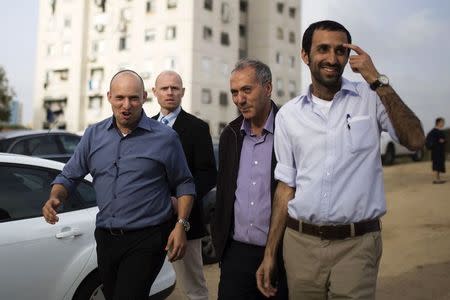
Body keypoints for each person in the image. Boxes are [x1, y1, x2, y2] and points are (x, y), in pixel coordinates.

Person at [256, 20, 425, 300]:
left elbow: (416, 140)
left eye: (340, 51)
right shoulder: (288, 115)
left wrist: (377, 79)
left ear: (349, 57)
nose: (332, 59)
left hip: (357, 246)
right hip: (301, 246)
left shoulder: (371, 99)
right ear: (305, 55)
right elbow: (286, 187)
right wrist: (270, 253)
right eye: (323, 49)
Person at [42, 70, 195, 300]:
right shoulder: (93, 135)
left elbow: (184, 183)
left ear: (144, 97)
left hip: (148, 237)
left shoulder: (165, 138)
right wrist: (56, 196)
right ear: (109, 97)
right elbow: (69, 176)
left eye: (133, 98)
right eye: (120, 98)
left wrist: (181, 225)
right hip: (106, 237)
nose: (126, 105)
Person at [212, 59, 288, 300]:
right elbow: (224, 192)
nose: (239, 100)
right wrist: (221, 243)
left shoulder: (290, 130)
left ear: (268, 88)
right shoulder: (230, 135)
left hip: (281, 254)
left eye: (247, 90)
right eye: (234, 92)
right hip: (235, 254)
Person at [152, 70, 217, 300]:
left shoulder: (197, 128)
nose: (170, 92)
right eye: (164, 88)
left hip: (186, 221)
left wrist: (181, 201)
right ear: (154, 93)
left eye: (175, 88)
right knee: (144, 284)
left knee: (194, 288)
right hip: (147, 222)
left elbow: (208, 174)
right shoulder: (144, 127)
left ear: (182, 92)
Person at [426, 117, 446, 184]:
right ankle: (437, 179)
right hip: (436, 151)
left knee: (440, 164)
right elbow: (429, 140)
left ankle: (438, 178)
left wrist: (443, 141)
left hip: (440, 151)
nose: (443, 124)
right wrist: (436, 142)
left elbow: (444, 140)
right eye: (442, 122)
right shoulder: (433, 131)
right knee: (437, 164)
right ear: (438, 123)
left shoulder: (440, 131)